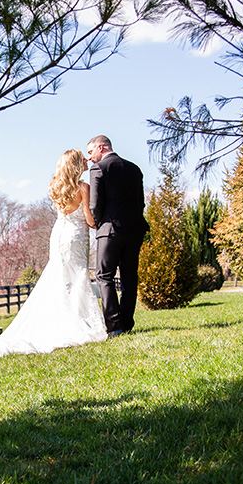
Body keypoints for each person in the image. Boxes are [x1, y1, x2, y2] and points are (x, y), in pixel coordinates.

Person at [0, 149, 105, 366]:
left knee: (61, 280)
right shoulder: (83, 187)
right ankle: (78, 324)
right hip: (75, 236)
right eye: (82, 159)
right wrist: (100, 224)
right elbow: (89, 219)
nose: (86, 161)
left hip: (58, 237)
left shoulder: (57, 187)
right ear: (75, 164)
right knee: (78, 278)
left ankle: (62, 321)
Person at [87, 134, 147, 336]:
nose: (89, 158)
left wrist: (98, 225)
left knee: (104, 275)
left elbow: (95, 204)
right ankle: (127, 323)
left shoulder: (99, 168)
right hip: (135, 228)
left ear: (101, 147)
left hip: (109, 229)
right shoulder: (134, 168)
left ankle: (114, 326)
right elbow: (141, 202)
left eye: (91, 152)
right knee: (130, 276)